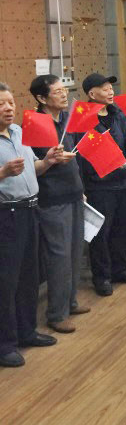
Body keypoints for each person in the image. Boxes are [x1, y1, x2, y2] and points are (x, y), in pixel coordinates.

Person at [0, 82, 60, 368]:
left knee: (29, 276)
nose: (8, 108)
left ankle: (27, 331)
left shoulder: (19, 132)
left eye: (11, 102)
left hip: (30, 210)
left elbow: (33, 168)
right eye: (1, 104)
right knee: (6, 282)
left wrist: (47, 161)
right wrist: (2, 172)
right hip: (6, 216)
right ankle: (5, 344)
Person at [77, 73, 126, 297]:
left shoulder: (117, 113)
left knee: (122, 228)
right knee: (101, 234)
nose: (110, 91)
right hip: (99, 185)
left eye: (111, 87)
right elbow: (80, 154)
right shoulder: (83, 119)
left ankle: (120, 269)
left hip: (123, 181)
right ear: (91, 93)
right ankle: (102, 277)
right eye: (105, 88)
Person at [29, 75, 88, 334]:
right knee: (59, 257)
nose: (64, 95)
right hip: (52, 199)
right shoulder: (34, 124)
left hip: (74, 193)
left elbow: (75, 160)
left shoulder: (65, 119)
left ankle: (70, 301)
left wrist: (81, 190)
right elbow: (32, 168)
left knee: (75, 252)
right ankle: (56, 313)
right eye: (57, 91)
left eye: (65, 90)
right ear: (42, 98)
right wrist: (51, 161)